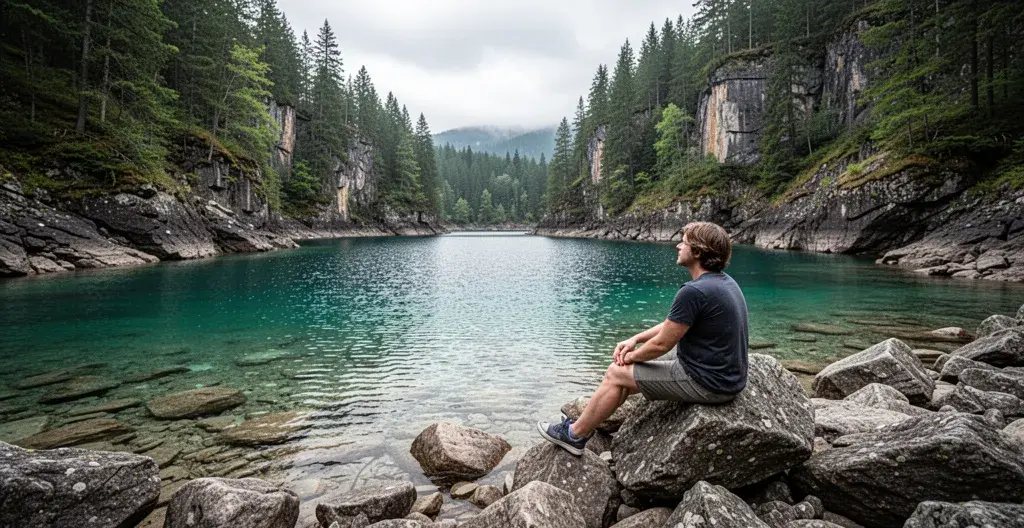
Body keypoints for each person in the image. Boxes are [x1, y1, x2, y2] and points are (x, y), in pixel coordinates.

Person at [538, 221, 749, 455]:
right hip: (725, 378)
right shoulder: (724, 282)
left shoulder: (693, 291)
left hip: (709, 384)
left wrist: (631, 358)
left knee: (616, 373)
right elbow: (674, 324)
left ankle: (574, 435)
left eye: (684, 242)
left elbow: (662, 344)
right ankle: (593, 418)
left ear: (697, 252)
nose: (678, 246)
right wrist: (635, 338)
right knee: (629, 370)